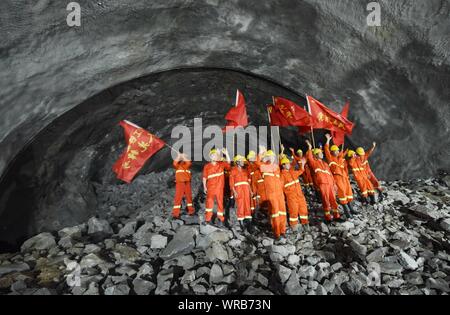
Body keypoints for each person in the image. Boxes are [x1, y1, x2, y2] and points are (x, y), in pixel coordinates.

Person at [255, 146, 287, 240]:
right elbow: (257, 162)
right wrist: (260, 153)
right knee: (275, 212)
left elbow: (282, 162)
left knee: (282, 212)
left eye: (273, 156)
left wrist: (282, 151)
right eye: (270, 156)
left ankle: (282, 231)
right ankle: (276, 233)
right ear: (267, 158)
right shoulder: (264, 167)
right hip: (271, 194)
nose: (272, 158)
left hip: (279, 193)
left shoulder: (276, 167)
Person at [305, 140, 341, 222]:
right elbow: (309, 158)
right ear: (316, 155)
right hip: (322, 184)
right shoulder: (313, 163)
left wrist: (334, 184)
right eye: (320, 153)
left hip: (330, 184)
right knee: (326, 201)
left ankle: (336, 216)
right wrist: (310, 148)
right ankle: (328, 218)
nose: (322, 154)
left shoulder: (325, 164)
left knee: (333, 200)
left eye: (322, 153)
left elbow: (330, 175)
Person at [324, 134, 357, 218]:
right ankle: (347, 212)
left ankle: (351, 209)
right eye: (336, 151)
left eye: (338, 150)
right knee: (342, 194)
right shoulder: (330, 158)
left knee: (348, 193)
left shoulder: (340, 159)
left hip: (344, 177)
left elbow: (346, 164)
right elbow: (326, 150)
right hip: (337, 178)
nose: (337, 151)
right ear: (332, 152)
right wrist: (328, 140)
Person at [280, 152, 310, 232]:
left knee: (303, 209)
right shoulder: (282, 175)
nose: (289, 165)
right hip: (291, 196)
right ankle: (294, 227)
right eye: (287, 164)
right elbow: (280, 187)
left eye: (289, 163)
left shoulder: (292, 172)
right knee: (293, 211)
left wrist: (303, 164)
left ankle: (305, 224)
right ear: (283, 165)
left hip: (299, 195)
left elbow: (301, 171)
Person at [202, 148, 231, 226]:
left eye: (216, 155)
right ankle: (208, 219)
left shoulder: (221, 164)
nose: (214, 157)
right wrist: (205, 187)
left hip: (219, 187)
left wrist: (226, 154)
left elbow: (228, 164)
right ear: (210, 157)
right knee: (209, 202)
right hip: (210, 187)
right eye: (213, 155)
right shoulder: (207, 166)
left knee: (220, 202)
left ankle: (221, 219)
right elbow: (204, 177)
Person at [230, 155, 253, 232]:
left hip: (246, 189)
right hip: (238, 189)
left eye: (243, 160)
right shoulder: (233, 170)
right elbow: (231, 183)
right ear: (237, 162)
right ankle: (241, 223)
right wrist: (234, 192)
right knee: (240, 205)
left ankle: (249, 224)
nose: (243, 162)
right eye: (241, 161)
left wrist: (250, 191)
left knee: (247, 205)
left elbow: (247, 182)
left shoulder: (244, 171)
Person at [172, 152, 195, 218]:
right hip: (180, 183)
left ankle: (191, 211)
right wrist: (179, 156)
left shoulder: (187, 165)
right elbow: (174, 163)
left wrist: (183, 156)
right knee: (178, 198)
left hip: (187, 183)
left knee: (189, 197)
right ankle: (175, 214)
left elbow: (188, 162)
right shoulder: (178, 166)